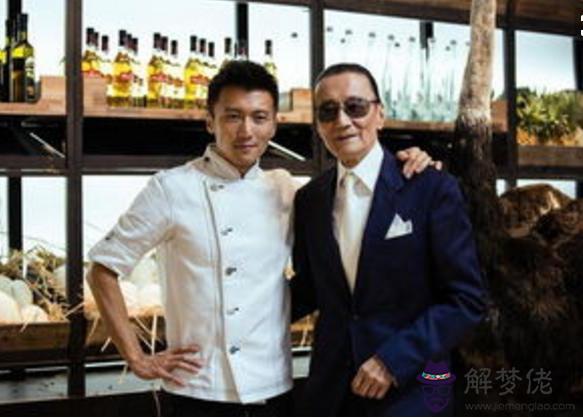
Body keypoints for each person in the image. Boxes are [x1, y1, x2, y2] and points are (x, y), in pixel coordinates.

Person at [86, 61, 435, 416]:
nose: (246, 131)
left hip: (272, 386)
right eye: (232, 116)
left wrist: (409, 161)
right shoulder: (171, 188)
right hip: (197, 387)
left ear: (274, 124)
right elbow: (102, 269)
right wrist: (137, 357)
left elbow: (337, 248)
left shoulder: (284, 189)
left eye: (259, 117)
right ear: (210, 121)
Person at [290, 63, 488, 416]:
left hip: (411, 394)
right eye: (328, 111)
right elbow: (308, 290)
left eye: (355, 107)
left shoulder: (431, 187)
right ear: (318, 125)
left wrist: (393, 360)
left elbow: (466, 299)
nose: (342, 121)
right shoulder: (309, 199)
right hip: (330, 395)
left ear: (379, 114)